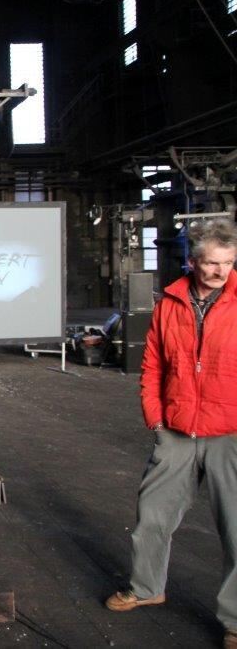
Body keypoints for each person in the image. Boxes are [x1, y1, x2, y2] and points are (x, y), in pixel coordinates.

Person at [105, 217, 237, 648]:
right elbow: (153, 365)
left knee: (236, 529)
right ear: (194, 261)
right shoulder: (170, 303)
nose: (222, 272)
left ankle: (235, 620)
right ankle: (146, 589)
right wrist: (156, 419)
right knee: (152, 518)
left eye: (229, 263)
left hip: (229, 433)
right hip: (177, 429)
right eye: (214, 263)